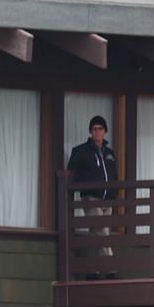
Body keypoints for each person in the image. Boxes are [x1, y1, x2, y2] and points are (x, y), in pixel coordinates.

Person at [66, 114, 118, 276]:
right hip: (90, 198)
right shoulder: (81, 151)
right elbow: (71, 173)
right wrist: (84, 185)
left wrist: (113, 192)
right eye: (94, 129)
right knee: (100, 231)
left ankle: (93, 270)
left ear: (105, 131)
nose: (97, 132)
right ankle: (110, 268)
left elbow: (114, 175)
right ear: (90, 132)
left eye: (100, 129)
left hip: (107, 199)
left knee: (99, 233)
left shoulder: (109, 153)